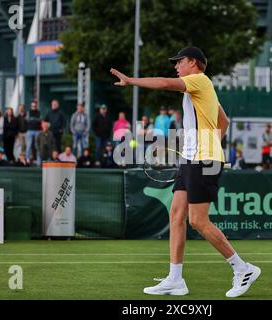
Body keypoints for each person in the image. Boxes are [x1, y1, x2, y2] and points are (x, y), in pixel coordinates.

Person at [111, 46, 260, 298]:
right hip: (193, 158)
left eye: (179, 62)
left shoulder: (198, 80)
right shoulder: (202, 89)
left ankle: (243, 268)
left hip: (203, 159)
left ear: (193, 62)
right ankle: (175, 279)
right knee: (176, 215)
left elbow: (163, 83)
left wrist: (130, 80)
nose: (175, 66)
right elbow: (224, 122)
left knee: (198, 221)